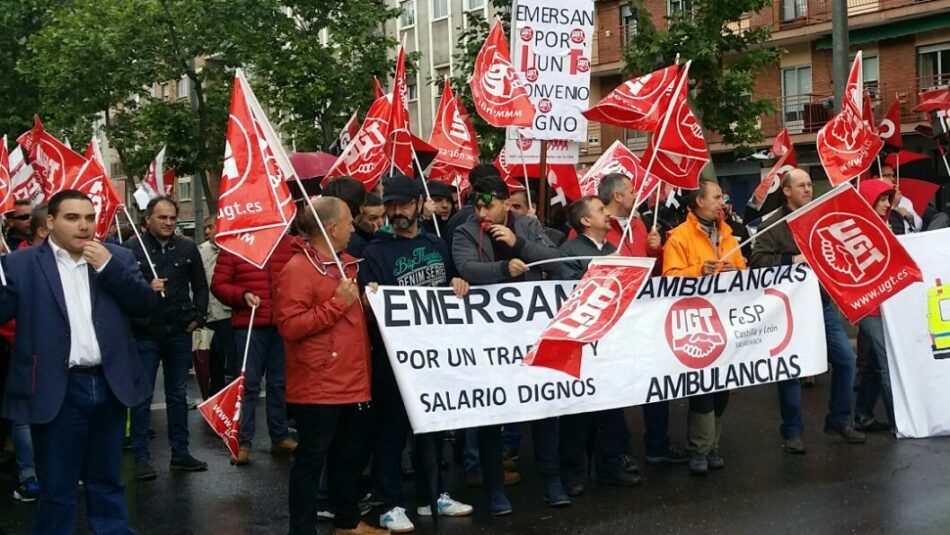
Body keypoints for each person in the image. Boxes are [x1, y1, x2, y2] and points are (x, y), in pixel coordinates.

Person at [0, 190, 158, 534]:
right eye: (73, 218)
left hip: (109, 383)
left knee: (107, 480)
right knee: (57, 487)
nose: (84, 226)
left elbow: (146, 306)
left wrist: (107, 266)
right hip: (56, 388)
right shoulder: (20, 265)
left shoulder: (115, 257)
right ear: (50, 223)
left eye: (89, 217)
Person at [359, 174, 473, 532]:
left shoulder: (437, 244)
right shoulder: (374, 251)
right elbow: (366, 301)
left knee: (432, 427)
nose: (396, 212)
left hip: (433, 357)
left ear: (418, 205)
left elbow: (453, 283)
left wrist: (459, 283)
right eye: (390, 205)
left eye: (403, 204)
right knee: (392, 432)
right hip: (393, 359)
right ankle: (390, 504)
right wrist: (370, 295)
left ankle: (431, 496)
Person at [452, 175, 566, 514]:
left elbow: (555, 260)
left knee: (541, 406)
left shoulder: (527, 225)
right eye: (478, 205)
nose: (482, 211)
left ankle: (552, 480)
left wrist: (519, 244)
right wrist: (504, 268)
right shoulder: (465, 230)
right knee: (491, 410)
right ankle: (495, 488)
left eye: (489, 204)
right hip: (489, 336)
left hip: (529, 330)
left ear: (505, 202)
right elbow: (465, 267)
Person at [275, 197, 386, 535]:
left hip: (351, 378)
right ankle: (303, 528)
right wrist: (339, 303)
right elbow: (291, 326)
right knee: (312, 461)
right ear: (333, 228)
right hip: (319, 384)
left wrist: (366, 305)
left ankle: (347, 522)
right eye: (349, 222)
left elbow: (347, 318)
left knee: (348, 458)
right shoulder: (297, 269)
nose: (355, 227)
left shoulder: (344, 264)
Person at [749, 168, 868, 453]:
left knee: (846, 361)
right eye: (800, 186)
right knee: (791, 370)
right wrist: (792, 260)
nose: (807, 189)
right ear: (786, 191)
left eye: (808, 185)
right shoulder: (773, 225)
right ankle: (791, 431)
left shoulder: (820, 218)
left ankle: (838, 420)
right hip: (790, 309)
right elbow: (757, 262)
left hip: (821, 304)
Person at [558, 196, 643, 496]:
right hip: (580, 343)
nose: (608, 214)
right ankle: (573, 473)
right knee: (577, 413)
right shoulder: (568, 252)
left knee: (611, 410)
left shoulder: (612, 251)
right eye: (600, 210)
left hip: (610, 343)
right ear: (585, 221)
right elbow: (568, 289)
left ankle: (610, 466)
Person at [663, 179, 746, 475]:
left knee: (722, 386)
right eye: (716, 197)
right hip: (695, 323)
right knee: (702, 388)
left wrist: (737, 270)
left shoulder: (728, 235)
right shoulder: (678, 237)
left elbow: (743, 269)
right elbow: (669, 278)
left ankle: (712, 445)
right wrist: (698, 271)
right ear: (699, 202)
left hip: (726, 320)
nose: (722, 202)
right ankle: (699, 448)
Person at [125, 196, 209, 480]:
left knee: (177, 394)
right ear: (147, 219)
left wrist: (199, 315)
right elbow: (122, 289)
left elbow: (199, 284)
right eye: (163, 217)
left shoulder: (186, 248)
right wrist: (145, 288)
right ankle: (140, 457)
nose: (169, 222)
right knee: (142, 395)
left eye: (172, 217)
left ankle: (181, 453)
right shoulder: (131, 249)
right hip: (144, 332)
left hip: (177, 330)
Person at [211, 227, 297, 465]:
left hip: (281, 323)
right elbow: (218, 284)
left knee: (279, 383)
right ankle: (242, 441)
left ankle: (279, 436)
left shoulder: (289, 242)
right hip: (248, 325)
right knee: (247, 385)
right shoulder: (235, 244)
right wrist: (242, 295)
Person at [854, 179, 899, 433]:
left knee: (873, 363)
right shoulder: (858, 231)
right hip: (869, 305)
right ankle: (899, 421)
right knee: (887, 361)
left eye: (888, 199)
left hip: (886, 304)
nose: (886, 204)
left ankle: (863, 416)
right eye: (881, 199)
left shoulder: (886, 226)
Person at [198, 216, 234, 396]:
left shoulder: (235, 248)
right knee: (213, 360)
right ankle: (215, 396)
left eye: (211, 227)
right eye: (205, 228)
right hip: (209, 315)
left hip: (229, 313)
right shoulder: (200, 251)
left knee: (233, 358)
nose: (207, 231)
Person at [876, 164, 922, 234]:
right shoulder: (871, 199)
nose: (892, 179)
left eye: (893, 175)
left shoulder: (903, 199)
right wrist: (893, 207)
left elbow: (919, 226)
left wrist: (909, 215)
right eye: (887, 175)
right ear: (876, 178)